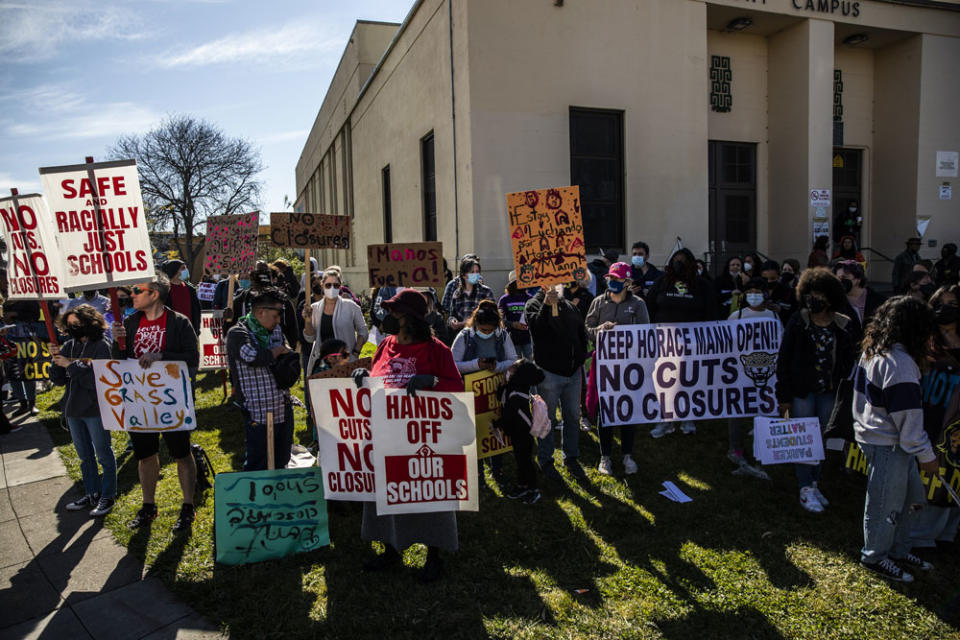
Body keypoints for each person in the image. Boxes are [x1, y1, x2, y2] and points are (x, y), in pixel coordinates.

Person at [353, 289, 463, 582]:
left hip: (424, 442)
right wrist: (364, 379)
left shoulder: (438, 350)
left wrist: (435, 380)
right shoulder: (385, 345)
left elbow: (458, 389)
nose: (388, 317)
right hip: (386, 437)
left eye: (395, 313)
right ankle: (390, 549)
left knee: (429, 500)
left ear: (411, 319)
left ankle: (434, 555)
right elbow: (378, 377)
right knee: (384, 496)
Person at [854, 296, 941, 582]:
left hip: (886, 440)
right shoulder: (899, 363)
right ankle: (875, 556)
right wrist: (927, 456)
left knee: (912, 499)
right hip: (888, 444)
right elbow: (909, 421)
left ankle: (900, 549)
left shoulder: (876, 349)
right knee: (885, 504)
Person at [113, 273, 199, 532]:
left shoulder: (179, 322)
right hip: (141, 402)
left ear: (155, 294)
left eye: (138, 290)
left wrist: (161, 355)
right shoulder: (128, 322)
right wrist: (116, 342)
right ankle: (148, 506)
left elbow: (192, 358)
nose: (133, 295)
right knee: (145, 455)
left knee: (181, 453)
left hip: (172, 402)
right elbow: (119, 362)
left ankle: (187, 506)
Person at [776, 267, 858, 513]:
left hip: (830, 391)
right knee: (803, 437)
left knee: (820, 437)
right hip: (801, 391)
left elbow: (853, 354)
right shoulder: (798, 320)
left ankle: (814, 482)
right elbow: (784, 359)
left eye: (819, 293)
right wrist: (784, 396)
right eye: (810, 292)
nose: (814, 298)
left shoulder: (844, 323)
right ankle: (804, 486)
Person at [49, 305, 117, 517]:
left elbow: (97, 380)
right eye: (68, 326)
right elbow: (58, 380)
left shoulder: (102, 346)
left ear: (89, 323)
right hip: (73, 409)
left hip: (95, 408)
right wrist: (56, 361)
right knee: (85, 456)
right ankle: (92, 492)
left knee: (103, 454)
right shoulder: (68, 345)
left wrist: (70, 366)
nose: (71, 329)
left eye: (76, 325)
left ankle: (108, 495)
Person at [585, 262, 649, 476]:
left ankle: (627, 455)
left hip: (629, 366)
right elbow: (587, 328)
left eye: (617, 279)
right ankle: (605, 457)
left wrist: (625, 332)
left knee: (627, 410)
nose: (612, 282)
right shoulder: (598, 302)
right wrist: (600, 330)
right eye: (610, 278)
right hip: (605, 365)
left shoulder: (638, 304)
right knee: (606, 410)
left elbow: (645, 332)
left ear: (628, 282)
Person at [646, 248, 718, 436]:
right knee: (664, 380)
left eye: (683, 260)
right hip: (664, 342)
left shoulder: (701, 285)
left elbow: (711, 311)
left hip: (691, 343)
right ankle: (665, 419)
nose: (679, 263)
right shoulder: (662, 282)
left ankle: (688, 417)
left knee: (688, 380)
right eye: (676, 260)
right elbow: (650, 307)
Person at [909, 286, 960, 550]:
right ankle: (922, 536)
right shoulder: (925, 339)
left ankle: (948, 533)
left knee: (955, 473)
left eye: (953, 303)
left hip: (956, 420)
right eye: (942, 303)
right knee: (930, 476)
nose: (947, 308)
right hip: (929, 414)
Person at [227, 287, 299, 471]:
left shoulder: (276, 331)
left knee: (282, 458)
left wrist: (285, 354)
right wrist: (277, 351)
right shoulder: (238, 333)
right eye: (275, 316)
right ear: (261, 312)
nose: (278, 321)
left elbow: (287, 351)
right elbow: (253, 358)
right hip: (256, 410)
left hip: (281, 405)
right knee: (257, 462)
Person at [525, 285, 589, 480]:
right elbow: (537, 330)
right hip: (549, 374)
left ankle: (571, 457)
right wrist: (546, 306)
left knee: (572, 416)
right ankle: (546, 459)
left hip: (573, 373)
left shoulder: (570, 306)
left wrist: (579, 358)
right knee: (547, 419)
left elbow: (581, 333)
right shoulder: (533, 305)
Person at [726, 278, 778, 480]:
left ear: (765, 294)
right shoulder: (737, 316)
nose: (754, 295)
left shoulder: (773, 316)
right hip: (739, 374)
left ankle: (761, 453)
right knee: (736, 412)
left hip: (766, 376)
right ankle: (735, 449)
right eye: (750, 291)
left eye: (758, 291)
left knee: (762, 412)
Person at [492, 358, 546, 504]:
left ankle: (533, 490)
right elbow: (501, 397)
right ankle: (522, 486)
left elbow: (509, 414)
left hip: (523, 434)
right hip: (517, 433)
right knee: (520, 460)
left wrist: (497, 424)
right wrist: (502, 385)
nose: (508, 371)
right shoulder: (515, 387)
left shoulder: (517, 394)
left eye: (512, 369)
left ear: (519, 374)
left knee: (526, 462)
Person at [303, 268, 368, 376]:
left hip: (346, 363)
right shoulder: (314, 308)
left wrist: (356, 352)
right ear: (322, 285)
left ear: (340, 286)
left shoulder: (351, 306)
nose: (332, 288)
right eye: (328, 285)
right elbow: (310, 338)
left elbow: (363, 331)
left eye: (336, 285)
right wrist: (308, 320)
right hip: (323, 366)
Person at [227, 263, 300, 351]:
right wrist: (226, 321)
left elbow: (292, 331)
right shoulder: (241, 301)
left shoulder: (282, 300)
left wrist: (285, 355)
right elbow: (229, 334)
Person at [451, 300, 518, 375]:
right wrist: (476, 365)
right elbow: (452, 365)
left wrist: (498, 366)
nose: (487, 333)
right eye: (483, 330)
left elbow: (513, 361)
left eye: (491, 330)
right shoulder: (464, 336)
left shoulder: (503, 335)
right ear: (476, 323)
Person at [444, 257, 494, 333]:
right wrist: (452, 322)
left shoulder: (486, 292)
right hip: (462, 335)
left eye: (477, 272)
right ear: (464, 275)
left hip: (482, 335)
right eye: (472, 272)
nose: (475, 274)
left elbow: (492, 316)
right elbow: (452, 315)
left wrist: (467, 322)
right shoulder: (457, 294)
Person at [834, 261, 886, 331]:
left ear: (858, 279)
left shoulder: (879, 300)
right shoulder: (835, 301)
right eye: (838, 278)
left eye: (844, 277)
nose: (840, 281)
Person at [497, 271, 533, 360]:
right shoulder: (504, 299)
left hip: (528, 338)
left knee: (531, 364)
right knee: (515, 364)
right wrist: (512, 324)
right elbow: (499, 319)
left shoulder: (530, 298)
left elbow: (534, 317)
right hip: (512, 339)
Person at [161, 259, 201, 334]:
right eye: (183, 268)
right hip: (171, 332)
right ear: (174, 271)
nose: (186, 270)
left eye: (186, 268)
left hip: (189, 331)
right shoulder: (164, 291)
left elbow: (196, 311)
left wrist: (197, 329)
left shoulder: (190, 289)